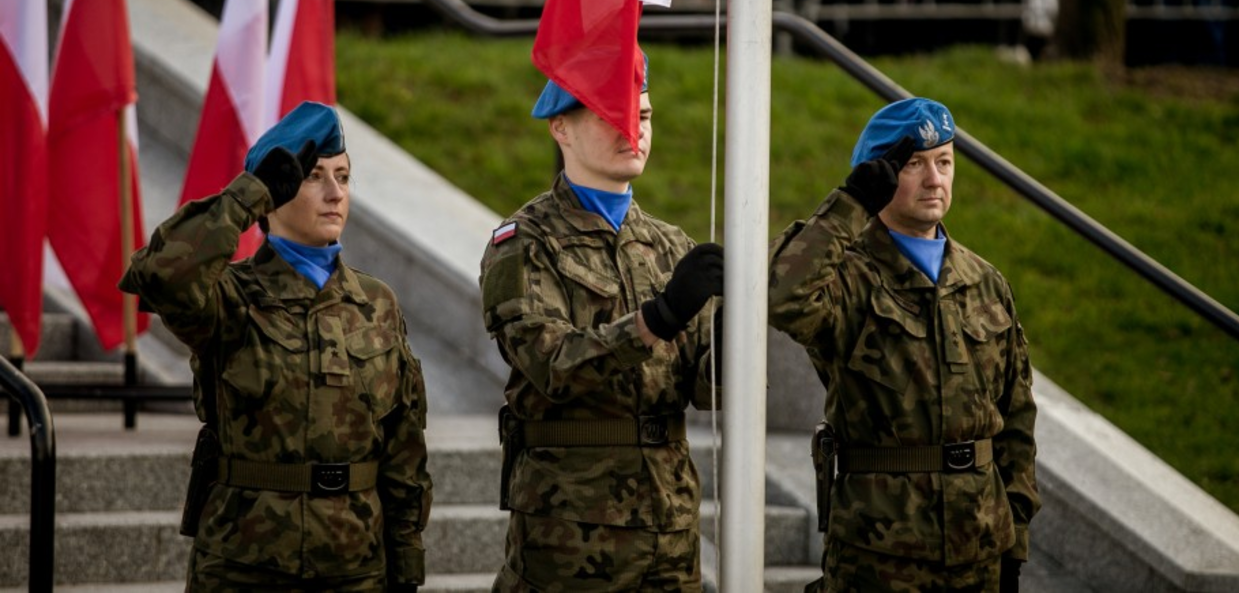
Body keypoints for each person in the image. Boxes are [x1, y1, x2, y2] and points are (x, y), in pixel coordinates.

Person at [120, 102, 431, 593]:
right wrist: (248, 195)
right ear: (276, 193)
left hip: (355, 566)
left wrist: (407, 565)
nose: (335, 194)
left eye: (343, 177)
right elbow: (160, 275)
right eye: (313, 178)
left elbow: (403, 447)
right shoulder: (228, 296)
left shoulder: (376, 303)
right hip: (245, 565)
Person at [767, 97, 1039, 593]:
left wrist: (1014, 540)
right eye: (914, 164)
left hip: (980, 546)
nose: (935, 180)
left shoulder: (984, 282)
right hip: (881, 554)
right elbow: (782, 297)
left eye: (944, 162)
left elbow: (1015, 420)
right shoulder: (847, 276)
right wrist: (851, 204)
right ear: (880, 176)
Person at [478, 64, 724, 591]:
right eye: (613, 115)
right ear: (560, 128)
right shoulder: (524, 242)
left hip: (670, 529)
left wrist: (736, 342)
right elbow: (553, 366)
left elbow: (706, 389)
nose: (633, 130)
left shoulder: (671, 245)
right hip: (571, 533)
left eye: (643, 116)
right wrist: (658, 319)